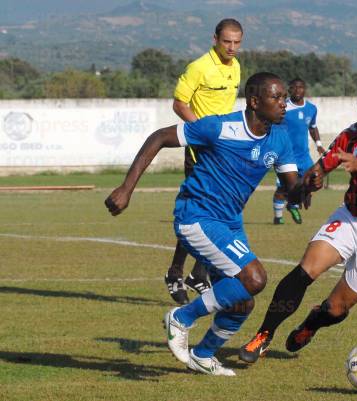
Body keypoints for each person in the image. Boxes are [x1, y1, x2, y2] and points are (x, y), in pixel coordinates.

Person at [105, 72, 319, 376]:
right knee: (255, 279)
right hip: (196, 216)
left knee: (242, 303)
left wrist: (308, 186)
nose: (284, 104)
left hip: (229, 222)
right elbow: (159, 137)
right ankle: (181, 317)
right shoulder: (219, 126)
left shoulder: (280, 137)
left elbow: (291, 187)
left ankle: (203, 356)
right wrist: (126, 188)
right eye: (277, 97)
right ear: (255, 102)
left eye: (285, 97)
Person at [238, 71, 357, 363]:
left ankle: (312, 323)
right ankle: (263, 335)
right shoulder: (350, 135)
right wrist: (313, 180)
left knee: (336, 309)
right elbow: (321, 167)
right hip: (350, 219)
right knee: (304, 271)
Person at [166, 18, 243, 305]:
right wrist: (201, 131)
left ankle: (198, 273)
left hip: (225, 150)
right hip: (200, 149)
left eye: (237, 42)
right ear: (215, 39)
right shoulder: (199, 67)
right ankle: (175, 271)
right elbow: (179, 103)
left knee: (219, 213)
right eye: (227, 42)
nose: (232, 48)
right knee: (196, 215)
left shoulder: (235, 67)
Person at [273, 78, 325, 225]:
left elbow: (313, 127)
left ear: (304, 90)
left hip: (303, 156)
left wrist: (319, 144)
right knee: (283, 189)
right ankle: (278, 217)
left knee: (312, 181)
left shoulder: (311, 108)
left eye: (300, 87)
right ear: (289, 90)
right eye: (294, 88)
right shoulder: (283, 107)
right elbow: (272, 125)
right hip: (285, 156)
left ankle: (293, 204)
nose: (297, 90)